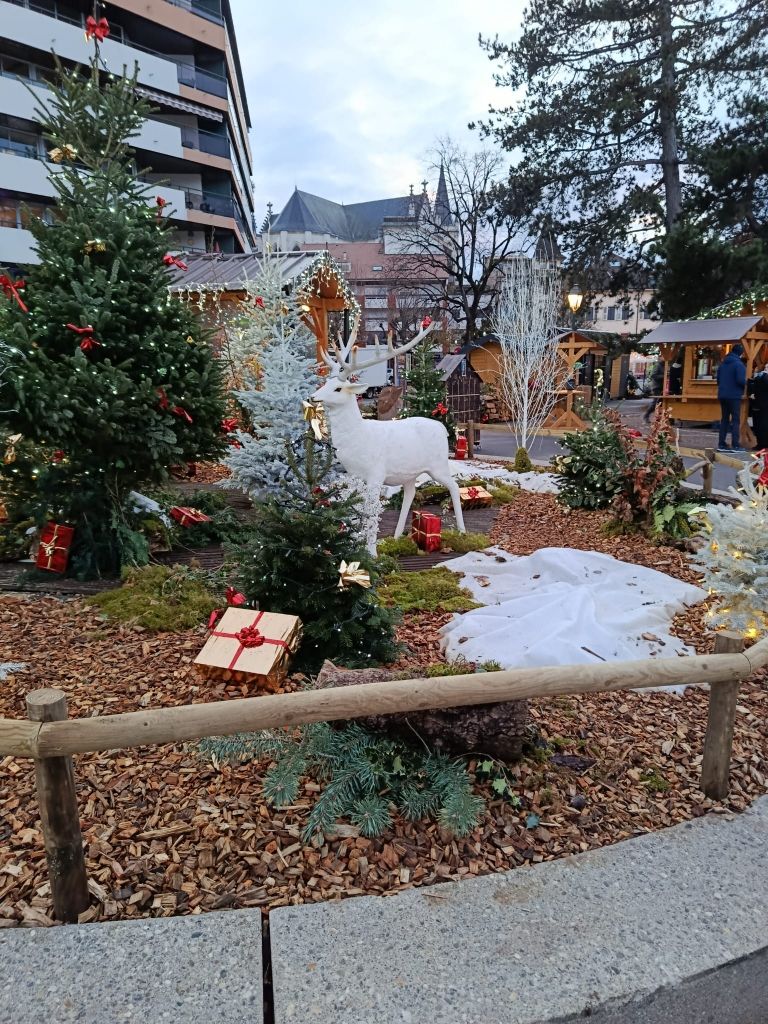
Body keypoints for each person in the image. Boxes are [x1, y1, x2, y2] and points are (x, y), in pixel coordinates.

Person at [716, 342, 747, 451]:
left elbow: (718, 380)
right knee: (735, 420)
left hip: (722, 394)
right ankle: (735, 445)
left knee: (724, 419)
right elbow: (740, 380)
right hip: (734, 395)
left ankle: (721, 444)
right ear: (740, 353)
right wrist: (746, 383)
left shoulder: (723, 363)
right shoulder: (739, 364)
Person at [748, 362, 768, 450]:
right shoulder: (762, 376)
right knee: (760, 425)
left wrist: (752, 393)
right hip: (761, 404)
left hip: (760, 404)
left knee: (760, 425)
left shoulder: (760, 377)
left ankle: (761, 444)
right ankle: (762, 444)